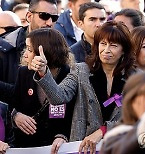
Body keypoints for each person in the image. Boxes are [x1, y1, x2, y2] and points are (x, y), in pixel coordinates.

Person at [32, 21, 135, 153]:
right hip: (82, 147)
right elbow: (58, 97)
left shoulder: (134, 78)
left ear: (124, 50)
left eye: (113, 45)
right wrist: (43, 72)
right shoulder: (81, 70)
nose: (106, 50)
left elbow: (138, 118)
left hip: (120, 146)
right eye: (103, 44)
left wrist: (103, 130)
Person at [10, 28, 75, 154]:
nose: (25, 54)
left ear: (46, 52)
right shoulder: (24, 72)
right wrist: (15, 116)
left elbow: (75, 114)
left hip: (59, 149)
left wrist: (63, 135)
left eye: (29, 49)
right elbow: (14, 104)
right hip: (27, 147)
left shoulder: (71, 75)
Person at [0, 0, 58, 104]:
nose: (49, 23)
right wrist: (14, 112)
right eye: (44, 16)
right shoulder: (5, 45)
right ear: (29, 16)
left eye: (54, 18)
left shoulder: (60, 48)